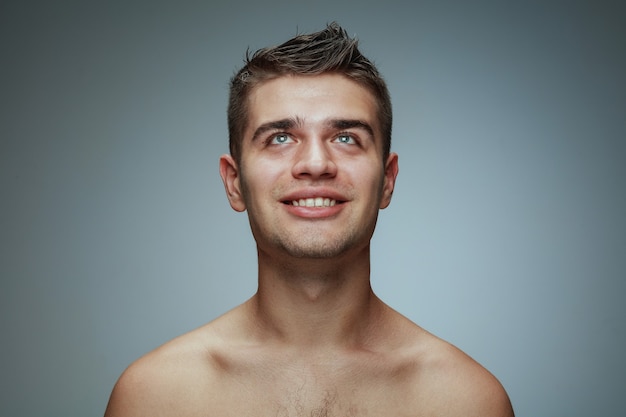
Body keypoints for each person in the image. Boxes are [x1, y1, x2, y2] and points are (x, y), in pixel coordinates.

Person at [104, 23, 514, 417]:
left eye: (346, 138)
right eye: (280, 138)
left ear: (387, 181)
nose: (316, 164)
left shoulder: (466, 401)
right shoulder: (155, 397)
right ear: (234, 183)